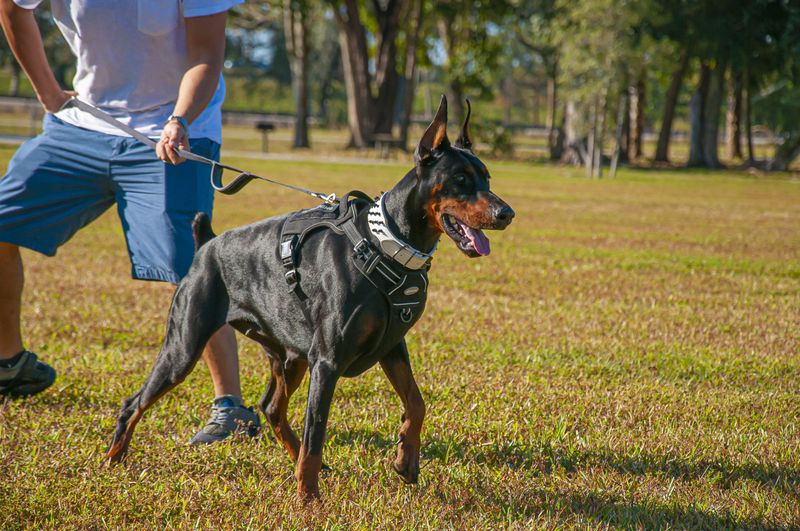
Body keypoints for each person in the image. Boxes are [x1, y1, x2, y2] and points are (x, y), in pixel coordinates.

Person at [0, 0, 259, 444]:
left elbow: (206, 56)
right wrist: (46, 91)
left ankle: (231, 408)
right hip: (83, 123)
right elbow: (12, 6)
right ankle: (10, 365)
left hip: (173, 130)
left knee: (193, 265)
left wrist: (180, 119)